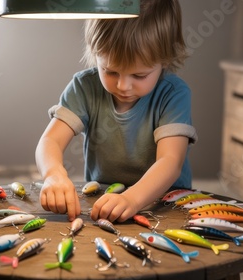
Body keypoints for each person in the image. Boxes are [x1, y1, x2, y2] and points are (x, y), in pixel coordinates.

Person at [35, 0, 197, 222]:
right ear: (95, 52)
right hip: (102, 200)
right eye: (110, 71)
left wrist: (132, 199)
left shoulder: (173, 93)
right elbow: (50, 141)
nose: (123, 86)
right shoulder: (84, 87)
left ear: (164, 60)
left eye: (139, 76)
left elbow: (170, 162)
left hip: (166, 204)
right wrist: (53, 174)